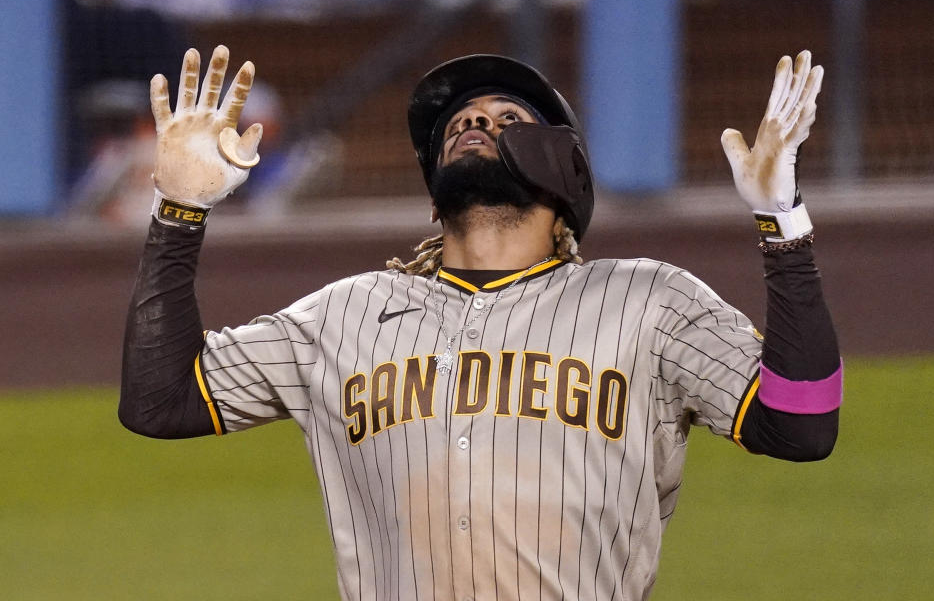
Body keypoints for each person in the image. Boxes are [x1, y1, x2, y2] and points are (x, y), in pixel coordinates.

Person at [120, 45, 842, 600]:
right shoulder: (340, 316)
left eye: (506, 121)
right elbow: (162, 400)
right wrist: (179, 211)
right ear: (433, 197)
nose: (473, 123)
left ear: (565, 176)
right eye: (459, 124)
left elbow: (803, 423)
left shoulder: (650, 302)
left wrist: (782, 221)